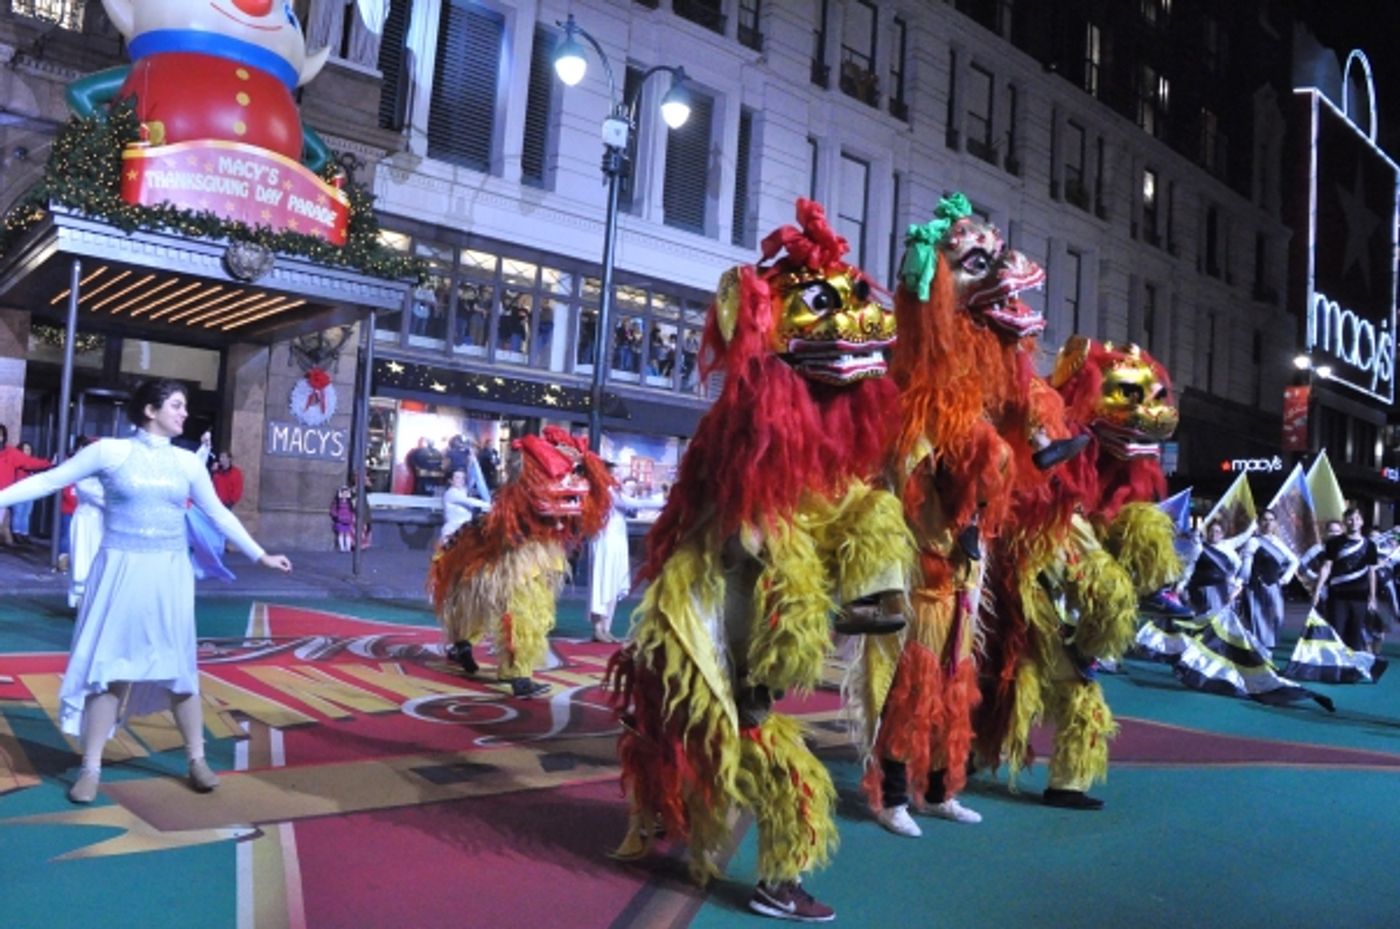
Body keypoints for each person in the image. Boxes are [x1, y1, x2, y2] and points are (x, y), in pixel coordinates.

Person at [0, 378, 292, 804]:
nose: (183, 413)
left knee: (179, 667)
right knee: (110, 668)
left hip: (169, 574)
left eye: (185, 406)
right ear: (150, 410)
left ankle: (197, 759)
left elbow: (219, 516)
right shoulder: (108, 452)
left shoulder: (189, 463)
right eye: (176, 405)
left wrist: (259, 554)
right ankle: (91, 766)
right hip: (120, 571)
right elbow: (47, 481)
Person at [1310, 506, 1379, 652]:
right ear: (1344, 522)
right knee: (1337, 631)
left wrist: (1372, 598)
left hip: (1360, 596)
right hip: (1338, 596)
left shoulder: (1370, 545)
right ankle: (1337, 666)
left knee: (1356, 633)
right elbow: (1326, 567)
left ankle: (1353, 667)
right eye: (1350, 519)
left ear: (1362, 522)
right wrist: (1317, 591)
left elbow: (1371, 572)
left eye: (1357, 518)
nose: (1354, 522)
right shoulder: (1333, 543)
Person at [1238, 508, 1301, 650]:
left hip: (1274, 587)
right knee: (1258, 621)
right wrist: (1243, 583)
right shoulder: (1254, 541)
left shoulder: (1278, 542)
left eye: (1271, 520)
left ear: (1275, 523)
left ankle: (1269, 649)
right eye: (1265, 520)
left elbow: (1294, 561)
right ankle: (1260, 652)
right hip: (1256, 587)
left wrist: (1284, 579)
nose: (1268, 523)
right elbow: (1246, 565)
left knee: (1277, 617)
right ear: (1259, 522)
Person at [588, 465, 631, 643]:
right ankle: (598, 627)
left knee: (613, 583)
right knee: (602, 582)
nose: (618, 476)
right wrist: (665, 500)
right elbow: (627, 504)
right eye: (615, 473)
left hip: (618, 541)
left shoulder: (615, 491)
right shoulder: (604, 491)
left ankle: (607, 627)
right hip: (604, 541)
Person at [68, 438, 106, 611]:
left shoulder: (103, 474)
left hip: (101, 521)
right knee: (82, 557)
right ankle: (80, 600)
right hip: (85, 520)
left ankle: (96, 602)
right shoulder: (81, 474)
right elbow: (98, 496)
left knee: (99, 558)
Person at [0, 424, 52, 547]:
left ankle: (20, 534)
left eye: (0, 435)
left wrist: (48, 463)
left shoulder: (10, 453)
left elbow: (29, 462)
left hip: (3, 494)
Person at [1183, 520, 1243, 615]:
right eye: (1211, 531)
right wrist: (1182, 585)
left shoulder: (1228, 551)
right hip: (1201, 592)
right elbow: (1190, 567)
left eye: (1217, 531)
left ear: (1222, 534)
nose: (1214, 534)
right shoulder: (1199, 547)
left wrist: (1234, 587)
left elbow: (1236, 568)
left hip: (1221, 593)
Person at [438, 468, 487, 542]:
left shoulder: (463, 491)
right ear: (450, 480)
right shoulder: (451, 493)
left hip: (464, 531)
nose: (461, 480)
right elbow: (470, 501)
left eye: (463, 478)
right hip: (452, 532)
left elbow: (478, 487)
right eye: (457, 477)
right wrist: (490, 505)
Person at [331, 485, 356, 551]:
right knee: (341, 534)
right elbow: (333, 510)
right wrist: (336, 516)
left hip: (348, 520)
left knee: (348, 534)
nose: (345, 494)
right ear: (341, 493)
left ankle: (347, 547)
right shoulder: (337, 502)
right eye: (343, 493)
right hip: (340, 520)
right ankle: (342, 548)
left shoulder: (350, 502)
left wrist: (352, 517)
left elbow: (353, 510)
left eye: (346, 493)